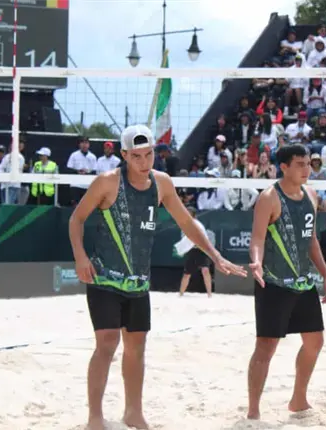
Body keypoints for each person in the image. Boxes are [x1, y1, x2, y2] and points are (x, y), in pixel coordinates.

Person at [68, 124, 246, 430]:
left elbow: (187, 223)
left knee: (136, 348)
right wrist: (80, 257)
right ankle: (95, 417)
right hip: (105, 278)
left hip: (138, 281)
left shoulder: (161, 183)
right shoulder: (107, 182)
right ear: (124, 155)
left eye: (148, 154)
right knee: (107, 343)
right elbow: (76, 219)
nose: (144, 161)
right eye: (136, 156)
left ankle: (133, 412)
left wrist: (216, 256)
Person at [247, 144, 326, 420]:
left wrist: (325, 274)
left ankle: (298, 399)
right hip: (274, 283)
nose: (306, 169)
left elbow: (311, 240)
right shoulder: (269, 198)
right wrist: (256, 262)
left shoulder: (311, 195)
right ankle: (253, 411)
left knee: (315, 341)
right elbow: (257, 238)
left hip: (302, 282)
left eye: (308, 163)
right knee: (266, 347)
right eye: (300, 164)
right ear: (283, 167)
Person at [176, 207, 214, 297]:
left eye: (189, 212)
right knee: (186, 274)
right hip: (192, 250)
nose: (187, 214)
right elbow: (184, 238)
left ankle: (209, 294)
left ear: (193, 214)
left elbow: (203, 238)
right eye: (186, 212)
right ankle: (181, 294)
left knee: (205, 270)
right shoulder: (185, 224)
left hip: (203, 250)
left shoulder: (198, 225)